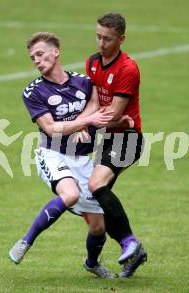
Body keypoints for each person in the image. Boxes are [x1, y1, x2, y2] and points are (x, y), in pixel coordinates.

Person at [8, 32, 133, 278]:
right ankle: (26, 241)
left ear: (56, 52)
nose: (36, 60)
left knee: (99, 225)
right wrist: (84, 122)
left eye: (41, 54)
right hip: (52, 154)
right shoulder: (33, 92)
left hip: (82, 160)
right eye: (33, 57)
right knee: (71, 194)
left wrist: (108, 122)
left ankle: (92, 263)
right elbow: (51, 128)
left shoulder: (83, 82)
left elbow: (97, 106)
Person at [83, 12, 148, 277]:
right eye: (98, 36)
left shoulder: (127, 69)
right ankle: (122, 255)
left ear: (121, 39)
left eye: (107, 39)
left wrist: (81, 124)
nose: (101, 43)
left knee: (95, 185)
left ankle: (129, 242)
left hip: (129, 140)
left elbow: (113, 115)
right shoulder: (92, 63)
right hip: (109, 139)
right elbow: (97, 106)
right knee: (97, 202)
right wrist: (90, 118)